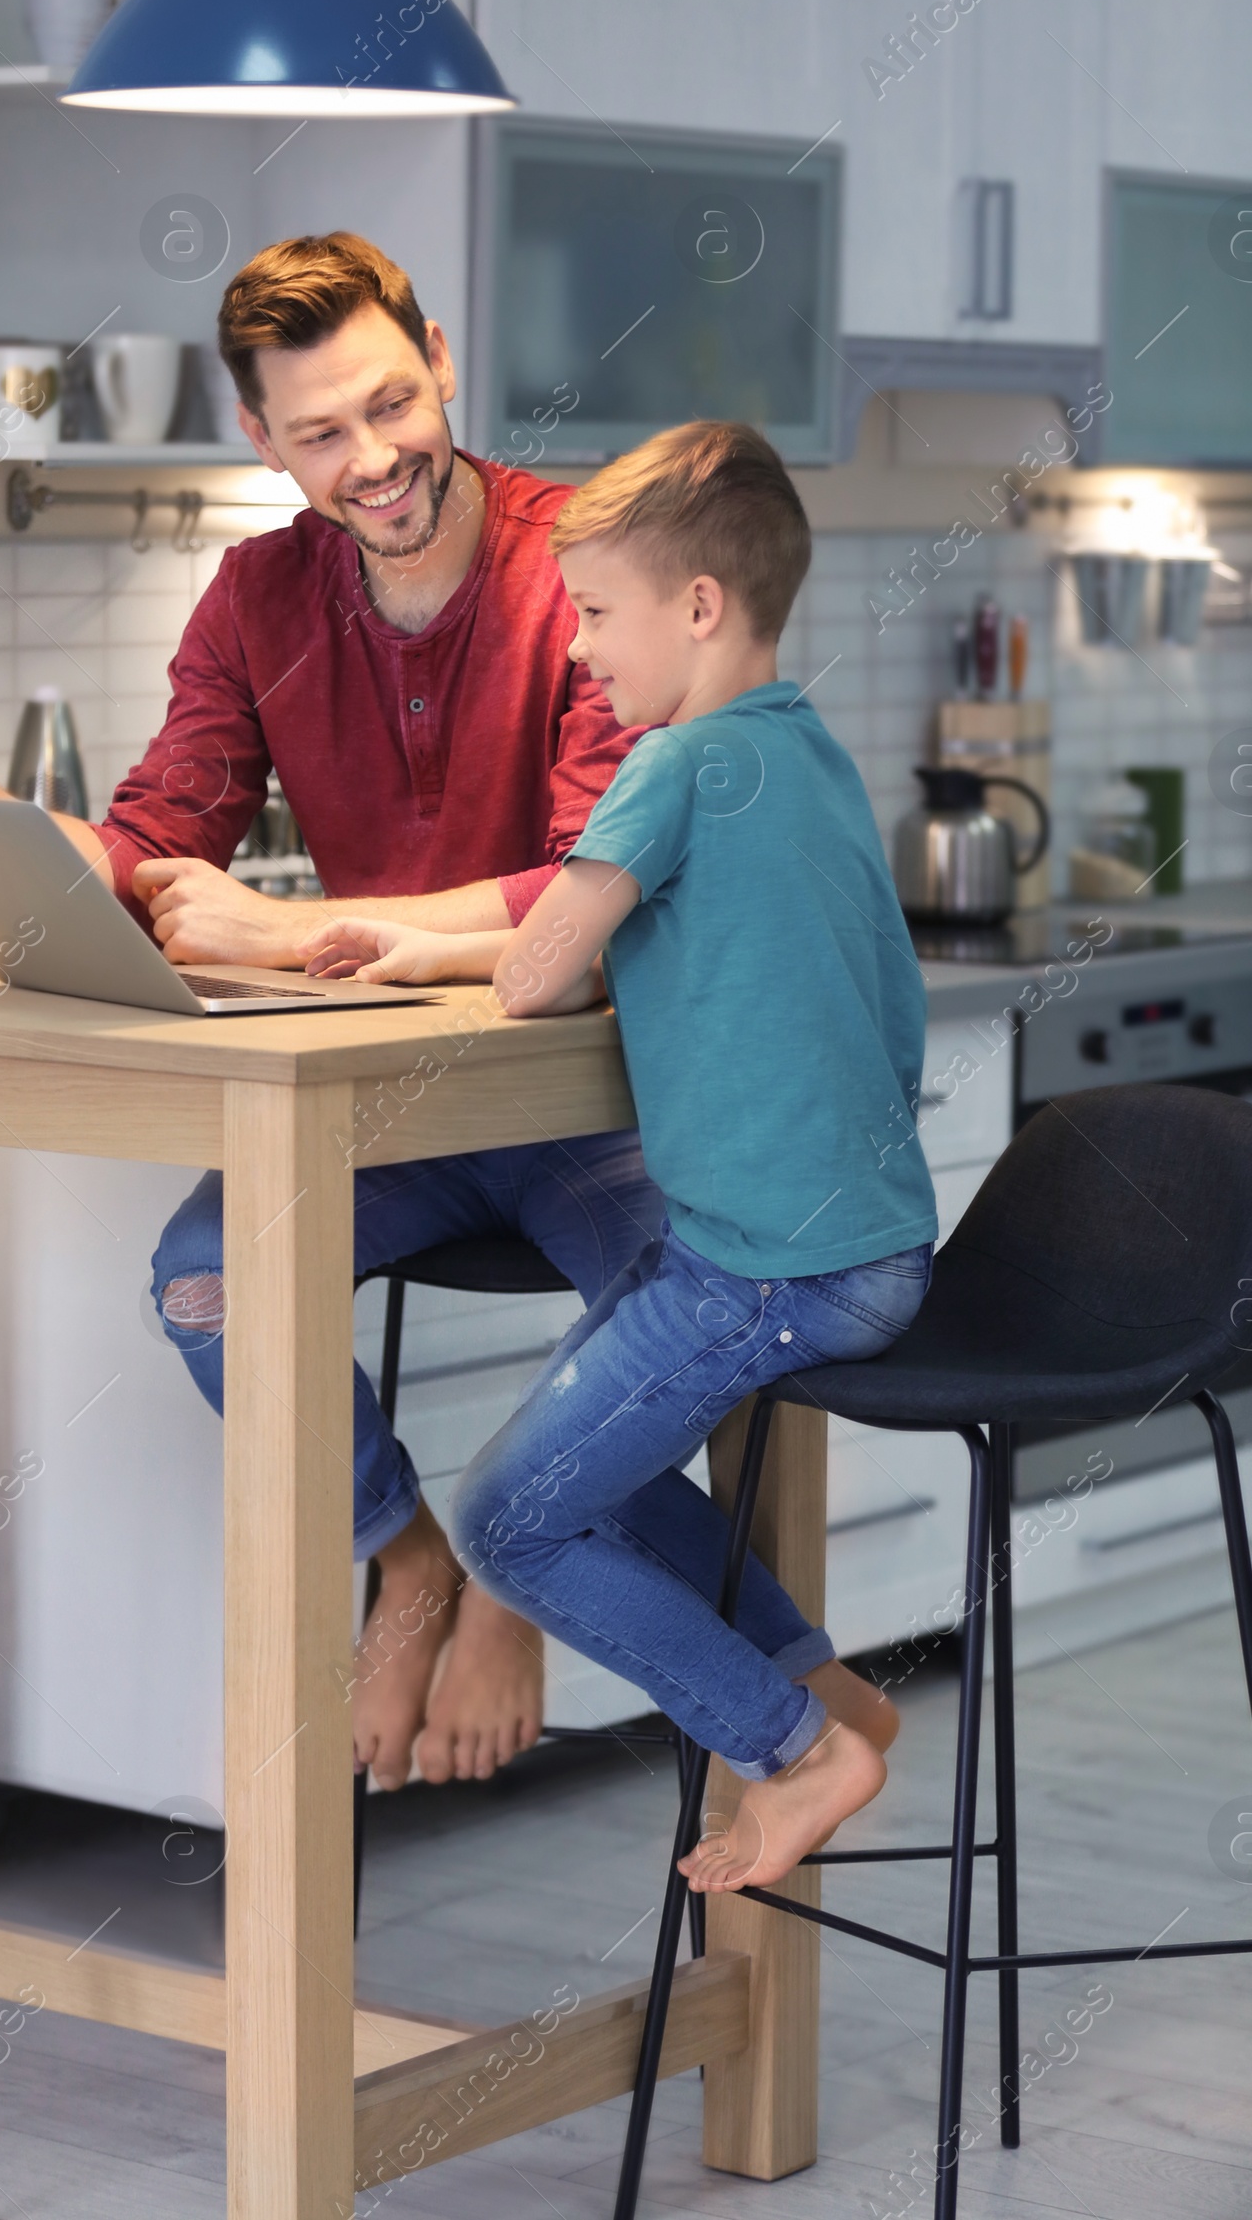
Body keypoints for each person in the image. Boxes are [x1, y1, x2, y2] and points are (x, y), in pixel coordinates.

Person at [0, 230, 662, 1796]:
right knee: (203, 1273)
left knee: (686, 1280)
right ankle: (406, 1556)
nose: (373, 460)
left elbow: (584, 893)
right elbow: (159, 838)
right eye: (319, 434)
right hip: (395, 1106)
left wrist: (298, 935)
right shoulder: (258, 591)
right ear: (261, 441)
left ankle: (512, 1569)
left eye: (390, 403)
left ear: (436, 349)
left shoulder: (584, 564)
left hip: (590, 1088)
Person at [301, 420, 937, 1888]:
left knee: (509, 1519)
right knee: (595, 1438)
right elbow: (860, 1002)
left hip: (766, 1270)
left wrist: (447, 953)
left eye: (594, 613)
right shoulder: (811, 754)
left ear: (698, 607)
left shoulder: (667, 767)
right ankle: (813, 1682)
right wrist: (419, 943)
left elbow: (538, 977)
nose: (580, 650)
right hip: (877, 1251)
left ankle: (790, 1745)